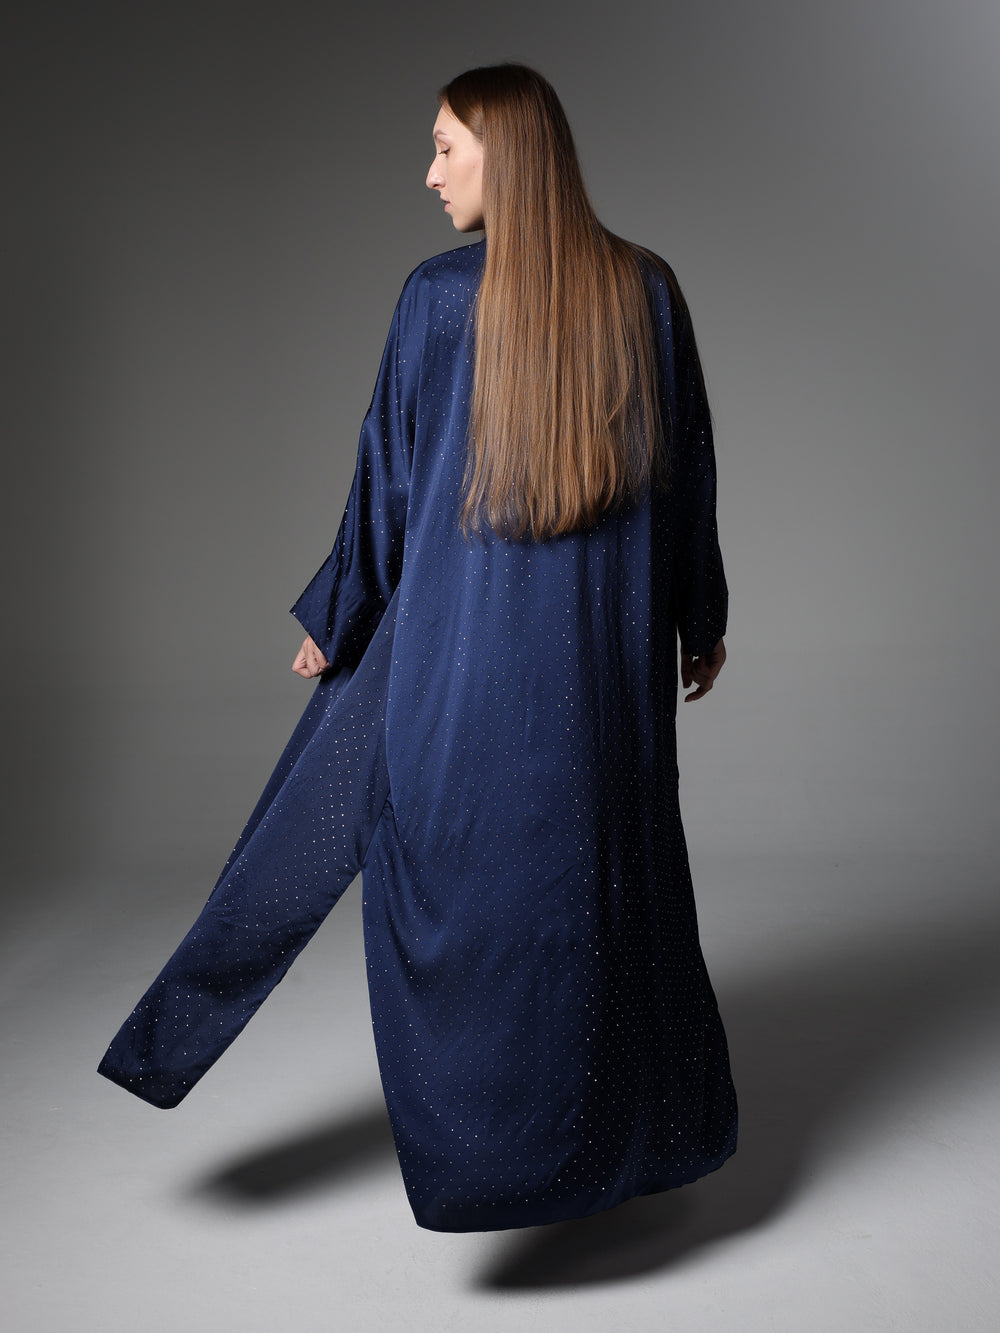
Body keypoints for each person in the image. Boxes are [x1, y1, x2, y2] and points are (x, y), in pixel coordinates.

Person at [98, 62, 737, 1233]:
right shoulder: (645, 289)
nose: (429, 171)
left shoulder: (439, 300)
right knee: (601, 902)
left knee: (406, 882)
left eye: (446, 147)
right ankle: (608, 1158)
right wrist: (700, 618)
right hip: (602, 675)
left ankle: (486, 1165)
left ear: (509, 154)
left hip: (456, 661)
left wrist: (339, 615)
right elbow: (685, 477)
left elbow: (387, 478)